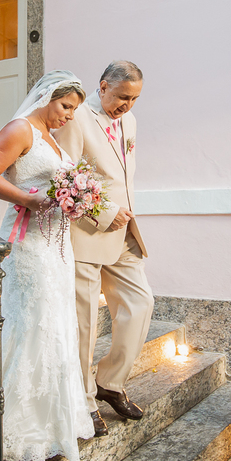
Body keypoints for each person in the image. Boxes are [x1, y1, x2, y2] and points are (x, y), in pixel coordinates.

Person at [0, 70, 96, 461]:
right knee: (34, 320)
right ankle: (20, 421)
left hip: (57, 245)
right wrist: (26, 199)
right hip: (28, 243)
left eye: (74, 110)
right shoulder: (21, 129)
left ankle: (54, 419)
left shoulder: (53, 138)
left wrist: (78, 200)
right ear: (47, 96)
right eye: (66, 106)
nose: (69, 115)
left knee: (56, 322)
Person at [54, 60, 153, 437]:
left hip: (125, 232)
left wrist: (121, 215)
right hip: (87, 232)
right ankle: (83, 400)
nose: (128, 105)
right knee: (85, 323)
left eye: (135, 98)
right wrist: (103, 213)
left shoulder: (130, 121)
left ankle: (110, 382)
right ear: (103, 86)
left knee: (140, 303)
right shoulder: (76, 118)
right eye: (123, 96)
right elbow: (63, 177)